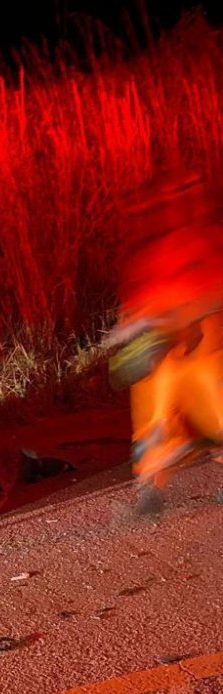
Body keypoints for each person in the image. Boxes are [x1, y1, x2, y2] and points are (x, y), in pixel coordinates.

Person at [104, 168, 223, 512]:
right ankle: (151, 484)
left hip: (207, 340)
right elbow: (138, 309)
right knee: (155, 385)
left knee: (209, 385)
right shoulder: (152, 254)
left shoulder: (208, 240)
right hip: (170, 347)